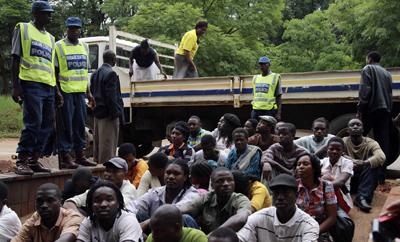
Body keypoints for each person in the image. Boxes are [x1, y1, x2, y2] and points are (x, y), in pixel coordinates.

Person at [11, 1, 62, 175]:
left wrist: (56, 91)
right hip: (30, 84)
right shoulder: (23, 29)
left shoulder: (50, 38)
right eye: (47, 13)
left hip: (48, 86)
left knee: (47, 124)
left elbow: (49, 67)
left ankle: (34, 159)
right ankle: (22, 160)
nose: (50, 16)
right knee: (34, 123)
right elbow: (15, 58)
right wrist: (15, 87)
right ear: (36, 14)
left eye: (51, 13)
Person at [54, 17, 97, 168]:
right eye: (71, 27)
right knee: (66, 126)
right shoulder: (58, 46)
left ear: (80, 29)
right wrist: (57, 91)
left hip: (80, 93)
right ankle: (65, 157)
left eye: (77, 28)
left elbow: (83, 72)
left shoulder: (84, 46)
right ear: (66, 29)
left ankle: (80, 155)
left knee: (80, 124)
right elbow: (54, 71)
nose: (74, 30)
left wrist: (89, 92)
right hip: (65, 92)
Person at [237, 174, 319, 242]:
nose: (280, 197)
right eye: (276, 193)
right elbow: (241, 238)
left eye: (285, 193)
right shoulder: (259, 217)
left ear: (296, 196)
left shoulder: (309, 224)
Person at [128, 159, 200, 234]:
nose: (171, 177)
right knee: (138, 214)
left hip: (180, 237)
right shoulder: (155, 192)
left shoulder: (193, 194)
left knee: (185, 218)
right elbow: (133, 207)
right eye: (168, 173)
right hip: (156, 235)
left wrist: (146, 223)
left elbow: (172, 212)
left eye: (176, 174)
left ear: (185, 177)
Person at [179, 167, 252, 234]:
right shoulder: (206, 198)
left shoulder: (241, 199)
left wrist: (214, 235)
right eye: (220, 181)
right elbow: (182, 209)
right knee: (185, 218)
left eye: (229, 180)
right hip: (205, 240)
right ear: (212, 185)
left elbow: (242, 218)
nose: (226, 184)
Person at [356, 51, 392, 184]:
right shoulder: (387, 73)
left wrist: (360, 110)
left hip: (371, 108)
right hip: (385, 109)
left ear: (369, 59)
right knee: (383, 143)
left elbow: (365, 90)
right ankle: (381, 177)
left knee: (356, 137)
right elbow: (389, 93)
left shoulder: (368, 69)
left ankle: (355, 171)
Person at [63, 157, 138, 216]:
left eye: (115, 171)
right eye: (107, 171)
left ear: (125, 175)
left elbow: (114, 210)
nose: (109, 174)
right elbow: (69, 203)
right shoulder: (101, 186)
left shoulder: (129, 188)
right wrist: (79, 217)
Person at [11, 183, 82, 242]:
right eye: (39, 201)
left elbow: (65, 239)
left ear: (60, 202)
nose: (44, 206)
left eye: (50, 201)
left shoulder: (71, 217)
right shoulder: (33, 221)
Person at [76, 181, 143, 242]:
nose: (103, 205)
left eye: (109, 199)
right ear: (91, 204)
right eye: (98, 201)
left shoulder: (128, 220)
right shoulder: (88, 222)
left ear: (118, 203)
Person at [343, 119, 385, 212]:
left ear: (362, 129)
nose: (355, 127)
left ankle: (362, 198)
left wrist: (364, 163)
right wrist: (353, 161)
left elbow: (381, 156)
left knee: (372, 160)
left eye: (358, 125)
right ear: (347, 130)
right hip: (349, 180)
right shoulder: (343, 142)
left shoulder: (371, 143)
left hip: (367, 180)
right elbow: (337, 154)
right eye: (352, 125)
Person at [90, 49, 125, 163]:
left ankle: (97, 166)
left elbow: (92, 91)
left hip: (97, 113)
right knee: (108, 145)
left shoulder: (95, 73)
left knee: (98, 143)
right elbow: (111, 96)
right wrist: (114, 113)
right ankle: (106, 169)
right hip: (108, 115)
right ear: (113, 60)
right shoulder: (111, 73)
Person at [295, 153, 337, 242]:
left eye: (305, 164)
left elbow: (332, 217)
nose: (300, 167)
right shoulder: (293, 186)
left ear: (314, 168)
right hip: (297, 228)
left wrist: (313, 233)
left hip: (319, 228)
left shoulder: (326, 186)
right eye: (298, 165)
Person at [320, 137, 354, 213]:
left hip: (342, 203)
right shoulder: (321, 162)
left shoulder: (347, 163)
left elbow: (340, 182)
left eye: (338, 150)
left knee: (325, 178)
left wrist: (317, 188)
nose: (334, 152)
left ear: (343, 151)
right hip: (323, 198)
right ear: (327, 150)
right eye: (331, 149)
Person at [251, 56, 283, 121]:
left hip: (268, 110)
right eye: (260, 64)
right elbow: (255, 95)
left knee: (267, 129)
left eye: (264, 64)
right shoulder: (255, 78)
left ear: (269, 65)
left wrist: (278, 113)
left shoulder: (275, 77)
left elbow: (278, 95)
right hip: (256, 110)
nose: (262, 66)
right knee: (255, 129)